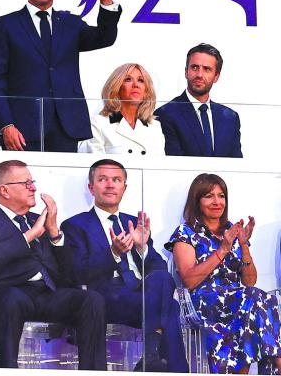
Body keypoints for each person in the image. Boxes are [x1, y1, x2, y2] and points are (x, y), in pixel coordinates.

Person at [0, 160, 106, 370]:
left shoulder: (35, 219)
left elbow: (69, 276)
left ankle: (93, 373)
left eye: (33, 182)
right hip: (5, 293)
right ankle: (7, 370)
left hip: (45, 293)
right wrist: (30, 235)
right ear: (5, 190)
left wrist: (55, 234)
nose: (33, 188)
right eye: (26, 183)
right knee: (12, 299)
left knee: (91, 300)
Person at [61, 159, 188, 372]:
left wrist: (142, 248)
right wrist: (113, 253)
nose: (110, 185)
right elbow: (78, 273)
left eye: (116, 180)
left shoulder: (133, 222)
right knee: (171, 309)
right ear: (91, 187)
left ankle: (150, 355)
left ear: (124, 188)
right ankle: (164, 362)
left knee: (163, 279)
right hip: (107, 296)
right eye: (103, 179)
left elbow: (159, 269)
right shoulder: (75, 225)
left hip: (140, 295)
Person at [0, 0, 121, 152]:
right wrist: (6, 125)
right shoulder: (6, 25)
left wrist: (107, 3)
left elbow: (104, 38)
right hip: (21, 129)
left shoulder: (70, 24)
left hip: (65, 126)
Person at [165, 173, 281, 374]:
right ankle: (277, 362)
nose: (217, 202)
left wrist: (243, 245)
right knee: (255, 299)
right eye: (209, 196)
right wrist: (223, 249)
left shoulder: (232, 229)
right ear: (197, 200)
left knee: (262, 298)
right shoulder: (186, 233)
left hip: (239, 301)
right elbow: (190, 280)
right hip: (203, 300)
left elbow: (250, 281)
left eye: (221, 196)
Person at [154, 43, 242, 157]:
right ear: (186, 72)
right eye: (195, 67)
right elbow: (173, 166)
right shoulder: (165, 114)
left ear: (216, 76)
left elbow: (236, 165)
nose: (199, 74)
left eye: (207, 69)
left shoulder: (230, 118)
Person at [78, 63, 164, 155]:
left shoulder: (155, 127)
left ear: (146, 91)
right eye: (128, 79)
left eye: (141, 80)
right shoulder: (97, 124)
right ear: (116, 87)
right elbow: (94, 167)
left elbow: (163, 167)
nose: (136, 85)